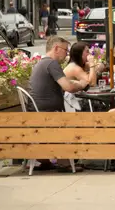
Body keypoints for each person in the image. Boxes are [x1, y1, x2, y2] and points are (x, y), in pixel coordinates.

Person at [29, 36, 88, 172]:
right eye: (65, 50)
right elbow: (68, 87)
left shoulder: (42, 63)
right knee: (80, 121)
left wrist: (74, 83)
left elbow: (63, 83)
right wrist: (82, 85)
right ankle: (64, 163)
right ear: (56, 49)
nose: (67, 54)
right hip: (49, 113)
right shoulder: (52, 64)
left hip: (38, 112)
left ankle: (45, 160)